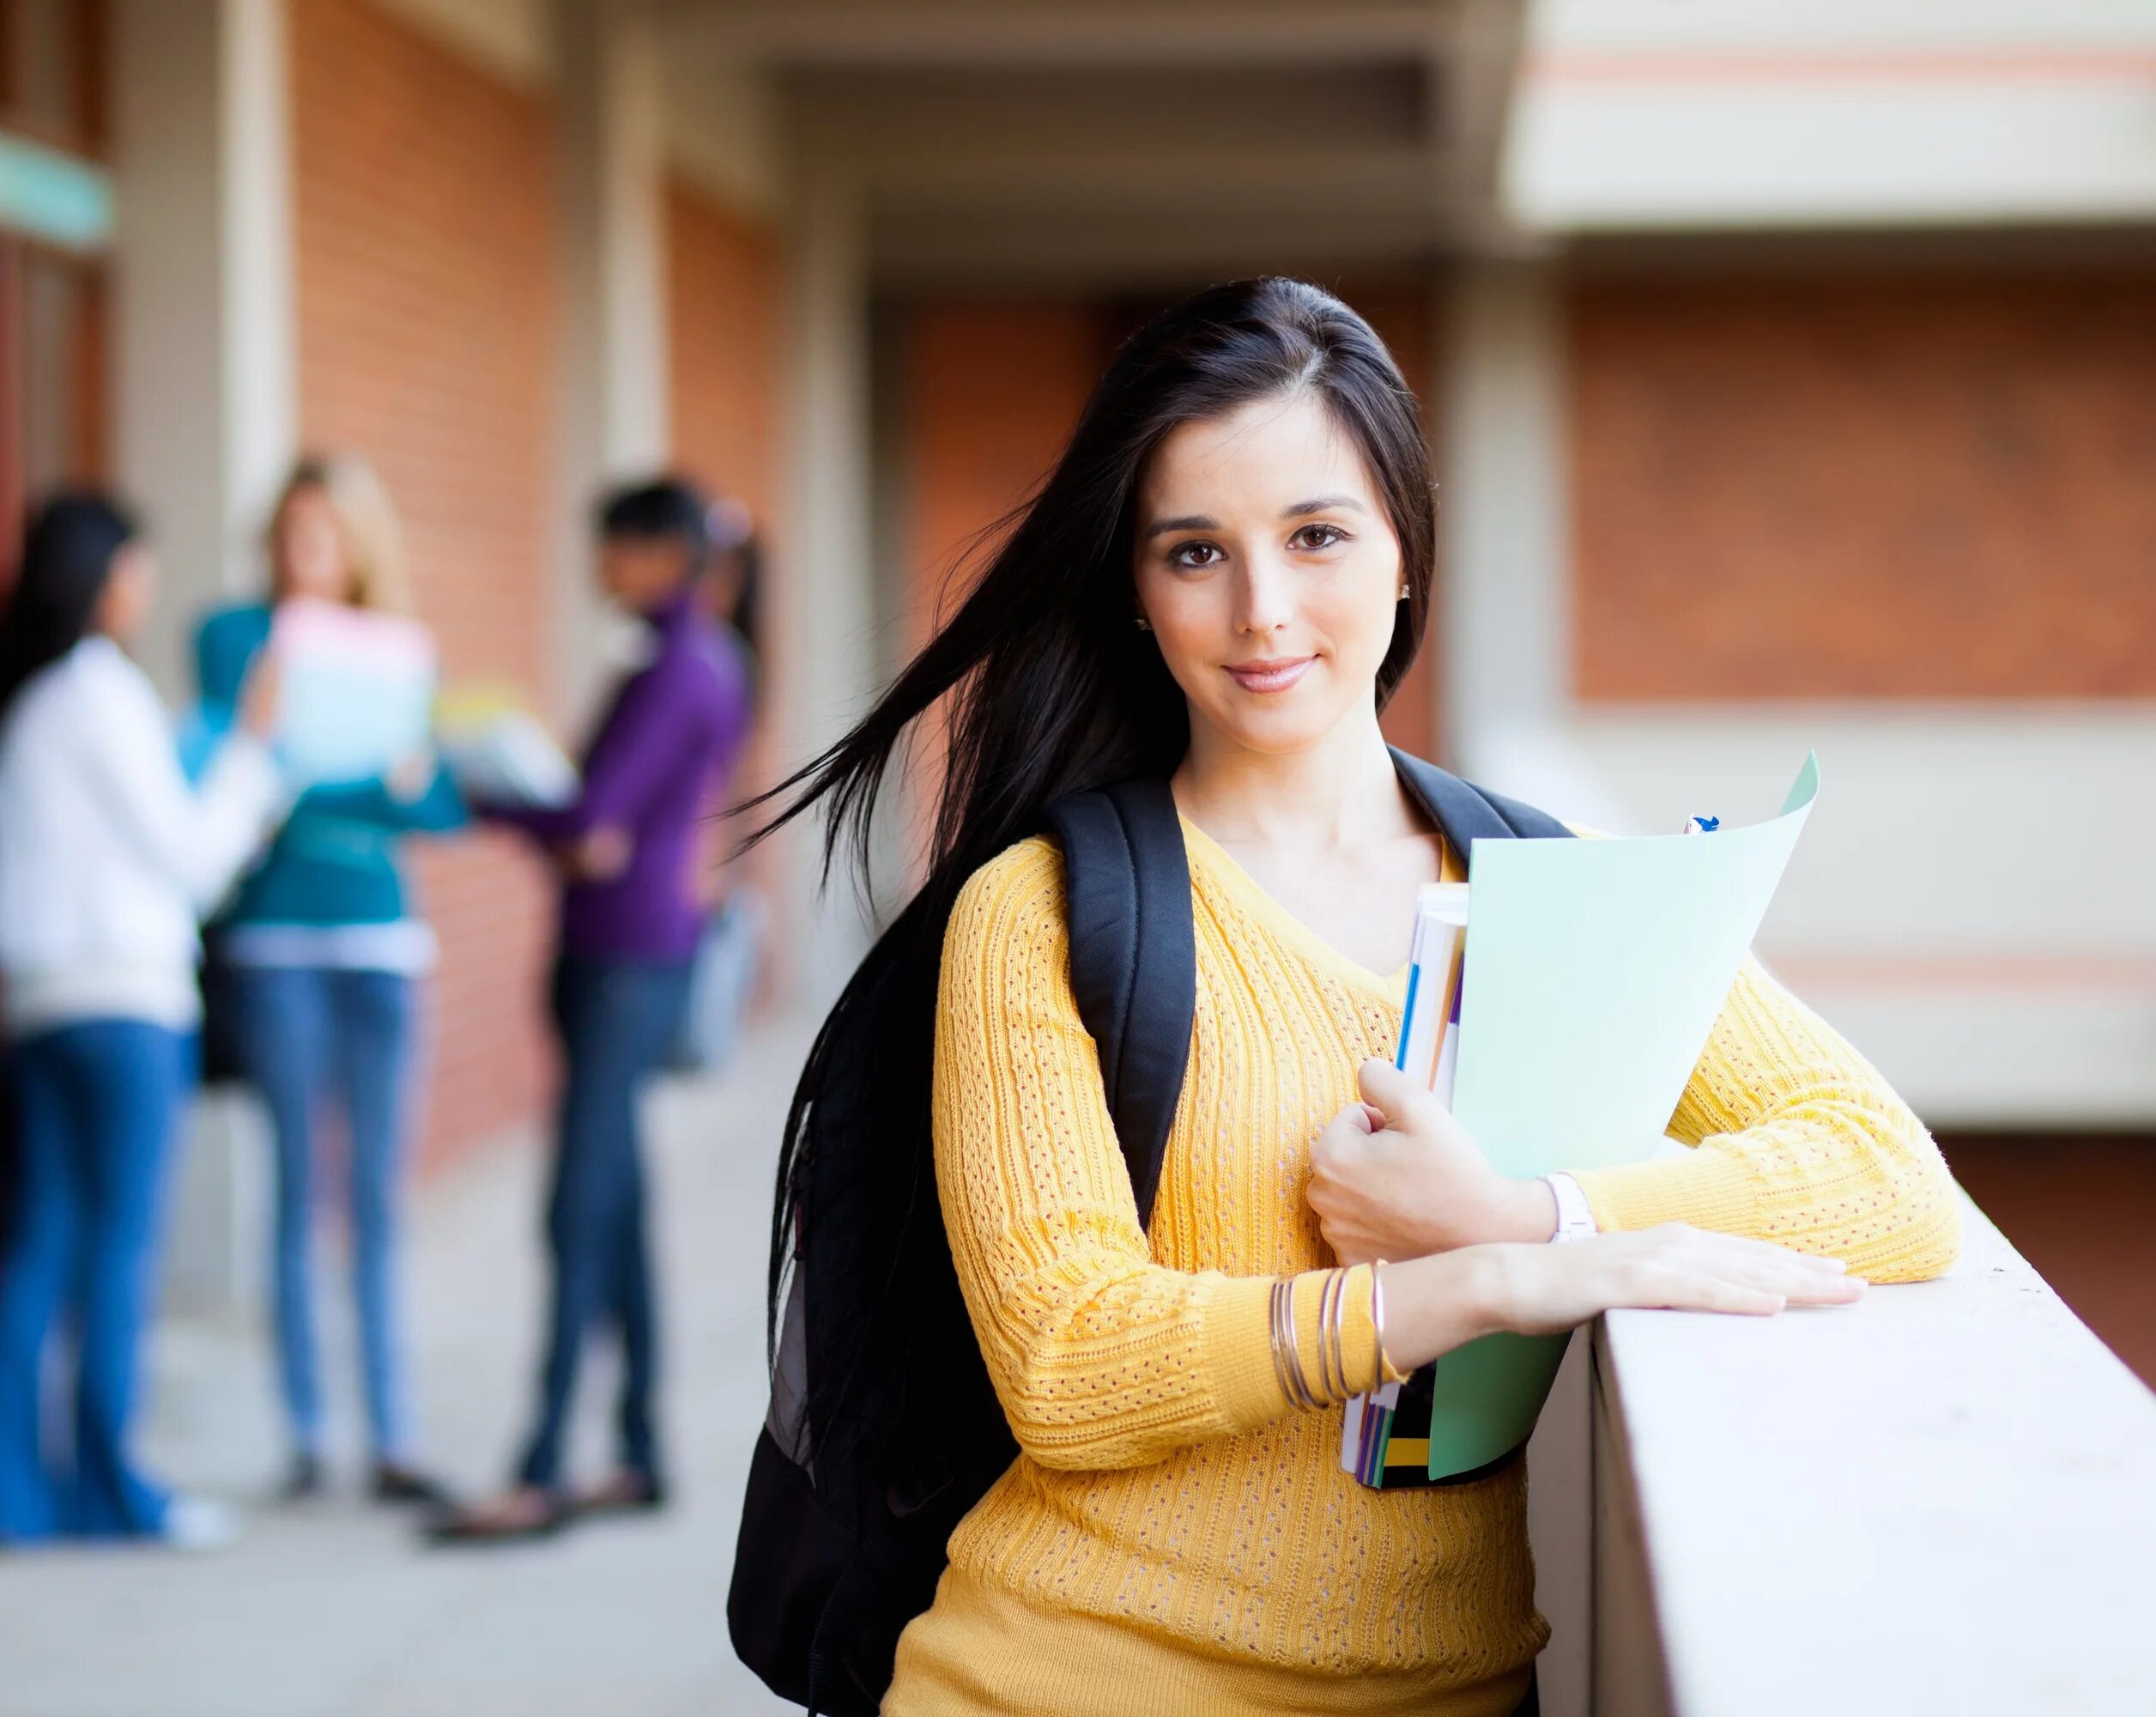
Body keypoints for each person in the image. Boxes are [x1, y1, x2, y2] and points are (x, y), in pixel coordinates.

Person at [749, 279, 1963, 1714]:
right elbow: (1070, 1362)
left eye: (1316, 536)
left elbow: (1889, 1181)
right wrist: (1474, 1286)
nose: (1263, 611)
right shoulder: (1048, 909)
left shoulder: (1548, 891)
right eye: (1195, 553)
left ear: (1403, 553)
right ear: (1137, 594)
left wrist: (1530, 1212)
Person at [432, 477, 754, 1542]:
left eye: (608, 543)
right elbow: (592, 819)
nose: (595, 563)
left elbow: (590, 814)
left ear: (659, 551)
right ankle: (638, 1449)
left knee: (577, 1205)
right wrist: (572, 826)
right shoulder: (689, 655)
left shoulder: (676, 663)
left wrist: (476, 792)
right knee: (612, 1204)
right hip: (632, 950)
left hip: (621, 958)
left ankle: (539, 1469)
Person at [0, 492, 284, 1549]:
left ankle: (8, 1499)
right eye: (140, 568)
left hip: (42, 1007)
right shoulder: (102, 692)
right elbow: (191, 858)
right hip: (128, 1009)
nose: (146, 589)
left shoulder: (20, 707)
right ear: (105, 578)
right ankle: (112, 1491)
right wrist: (252, 755)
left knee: (44, 1241)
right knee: (119, 1248)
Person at [196, 455, 472, 1508]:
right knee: (294, 1195)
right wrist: (355, 784)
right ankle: (308, 1436)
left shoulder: (400, 651)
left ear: (358, 546)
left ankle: (393, 1437)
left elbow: (436, 805)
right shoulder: (233, 637)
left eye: (320, 534)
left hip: (381, 946)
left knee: (375, 1200)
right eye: (285, 532)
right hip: (276, 946)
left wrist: (373, 785)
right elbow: (247, 768)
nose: (299, 553)